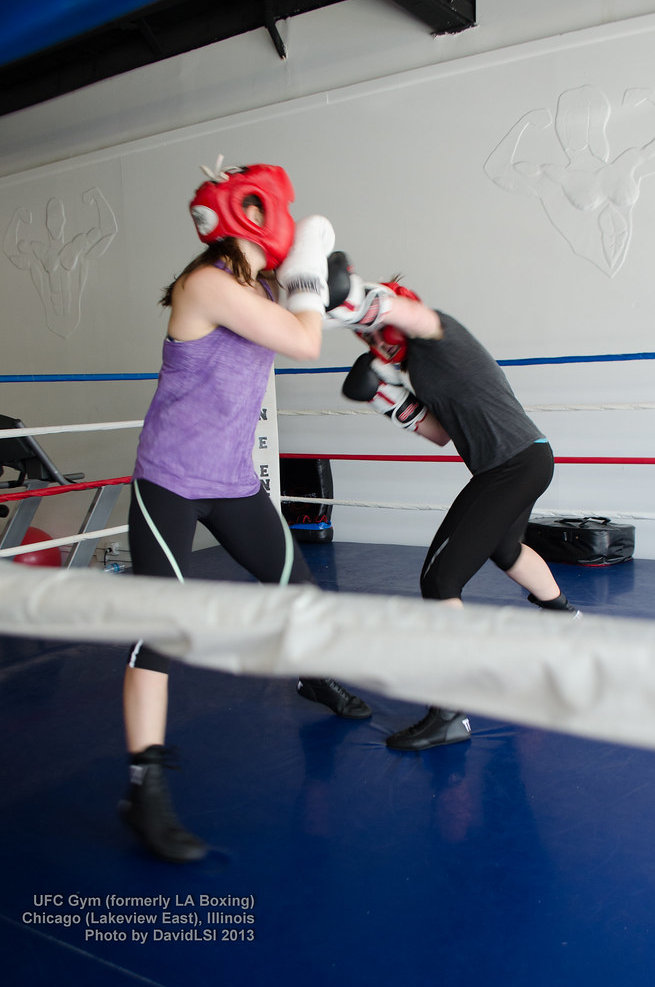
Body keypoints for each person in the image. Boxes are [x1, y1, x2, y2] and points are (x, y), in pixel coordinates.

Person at [120, 159, 370, 864]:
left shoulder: (259, 285)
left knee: (300, 592)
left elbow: (310, 310)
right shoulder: (205, 284)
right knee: (160, 631)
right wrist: (314, 266)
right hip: (169, 479)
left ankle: (312, 671)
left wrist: (329, 282)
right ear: (249, 217)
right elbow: (303, 339)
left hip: (230, 480)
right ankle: (144, 791)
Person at [327, 257, 579, 752]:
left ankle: (450, 712)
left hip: (513, 465)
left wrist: (358, 298)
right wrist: (390, 402)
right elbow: (443, 435)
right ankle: (564, 622)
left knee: (440, 580)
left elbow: (416, 316)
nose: (376, 340)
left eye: (376, 327)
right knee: (506, 551)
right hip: (518, 463)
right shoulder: (417, 370)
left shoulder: (437, 332)